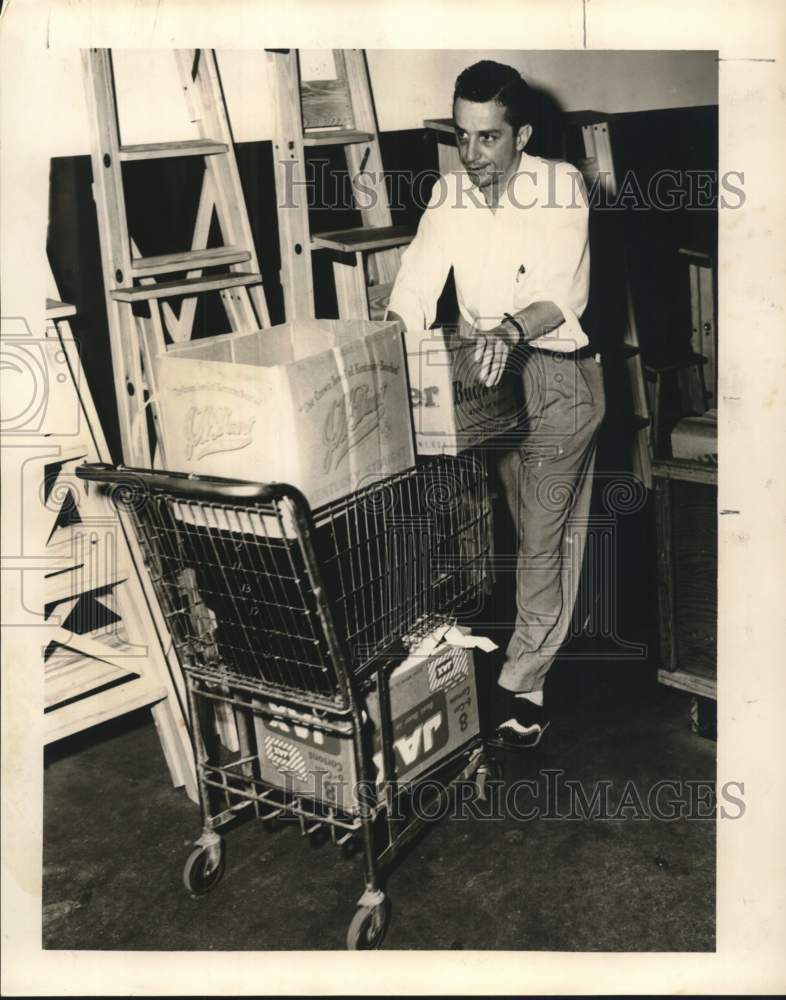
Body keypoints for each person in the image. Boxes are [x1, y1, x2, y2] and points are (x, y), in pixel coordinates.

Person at [387, 59, 605, 748]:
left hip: (558, 374)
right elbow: (416, 282)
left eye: (488, 137)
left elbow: (562, 294)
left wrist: (509, 331)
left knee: (542, 535)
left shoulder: (560, 186)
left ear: (522, 135)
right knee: (522, 527)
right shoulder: (450, 195)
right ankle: (535, 647)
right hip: (490, 382)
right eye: (462, 135)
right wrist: (385, 342)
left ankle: (524, 686)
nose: (472, 153)